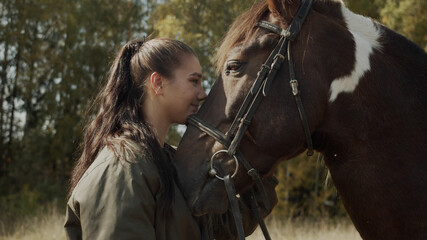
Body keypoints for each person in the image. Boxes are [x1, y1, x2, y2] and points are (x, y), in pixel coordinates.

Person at [64, 38, 277, 240]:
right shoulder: (121, 170)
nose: (202, 94)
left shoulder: (170, 161)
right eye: (194, 81)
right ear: (158, 83)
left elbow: (225, 224)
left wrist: (269, 154)